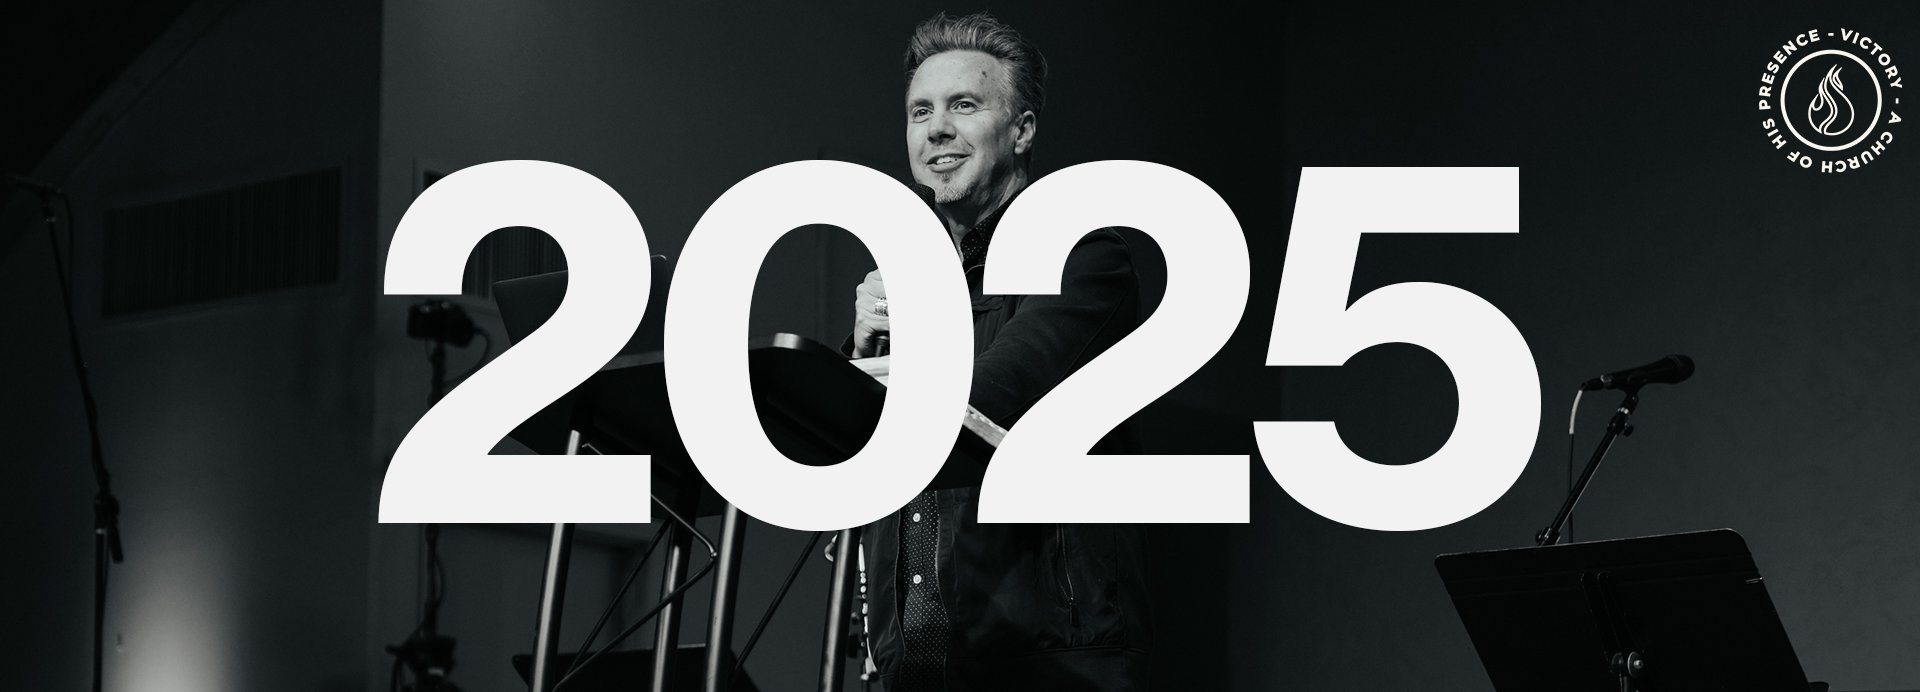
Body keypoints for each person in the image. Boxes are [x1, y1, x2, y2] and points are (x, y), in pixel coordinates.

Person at [846, 12, 1151, 691]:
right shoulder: (909, 284)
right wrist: (859, 353)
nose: (936, 129)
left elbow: (993, 394)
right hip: (913, 665)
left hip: (1048, 663)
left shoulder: (1082, 257)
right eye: (920, 111)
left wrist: (865, 390)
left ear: (1022, 130)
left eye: (964, 105)